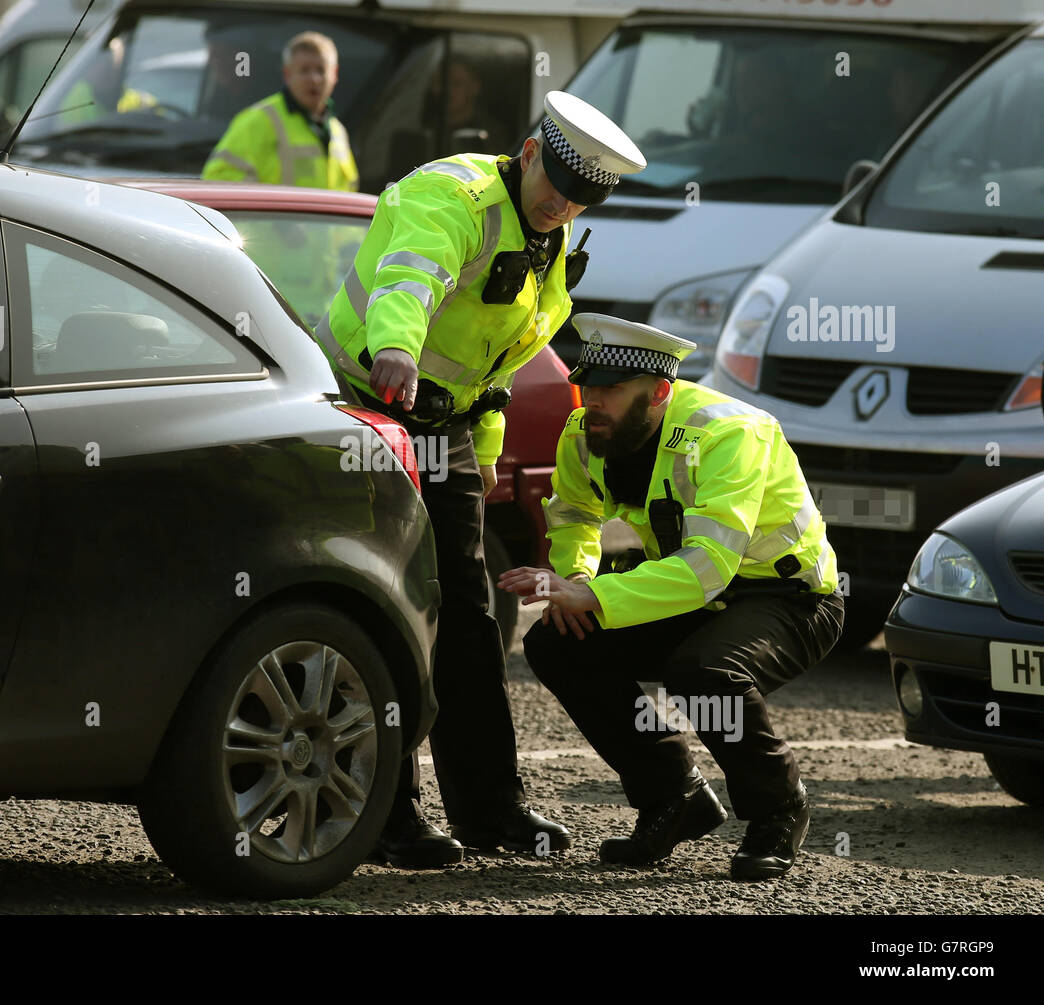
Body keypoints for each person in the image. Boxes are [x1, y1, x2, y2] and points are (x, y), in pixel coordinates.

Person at [313, 91, 647, 867]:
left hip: (448, 429)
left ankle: (492, 808)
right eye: (557, 182)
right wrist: (397, 341)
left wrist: (485, 450)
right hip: (368, 411)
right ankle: (386, 811)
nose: (563, 203)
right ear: (530, 152)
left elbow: (493, 362)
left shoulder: (549, 238)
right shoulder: (455, 194)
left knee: (467, 621)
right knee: (387, 612)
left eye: (582, 197)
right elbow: (414, 269)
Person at [499, 316, 845, 880]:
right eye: (589, 388)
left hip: (789, 598)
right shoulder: (587, 432)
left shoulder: (731, 433)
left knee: (705, 671)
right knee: (558, 643)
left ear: (660, 391)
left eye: (612, 391)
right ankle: (673, 797)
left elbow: (711, 564)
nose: (595, 404)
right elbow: (572, 516)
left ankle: (777, 810)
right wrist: (575, 584)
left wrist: (595, 595)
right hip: (692, 589)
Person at [202, 31, 358, 191]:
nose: (314, 79)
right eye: (304, 70)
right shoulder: (258, 120)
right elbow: (217, 180)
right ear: (287, 74)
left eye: (321, 70)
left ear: (335, 74)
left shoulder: (337, 131)